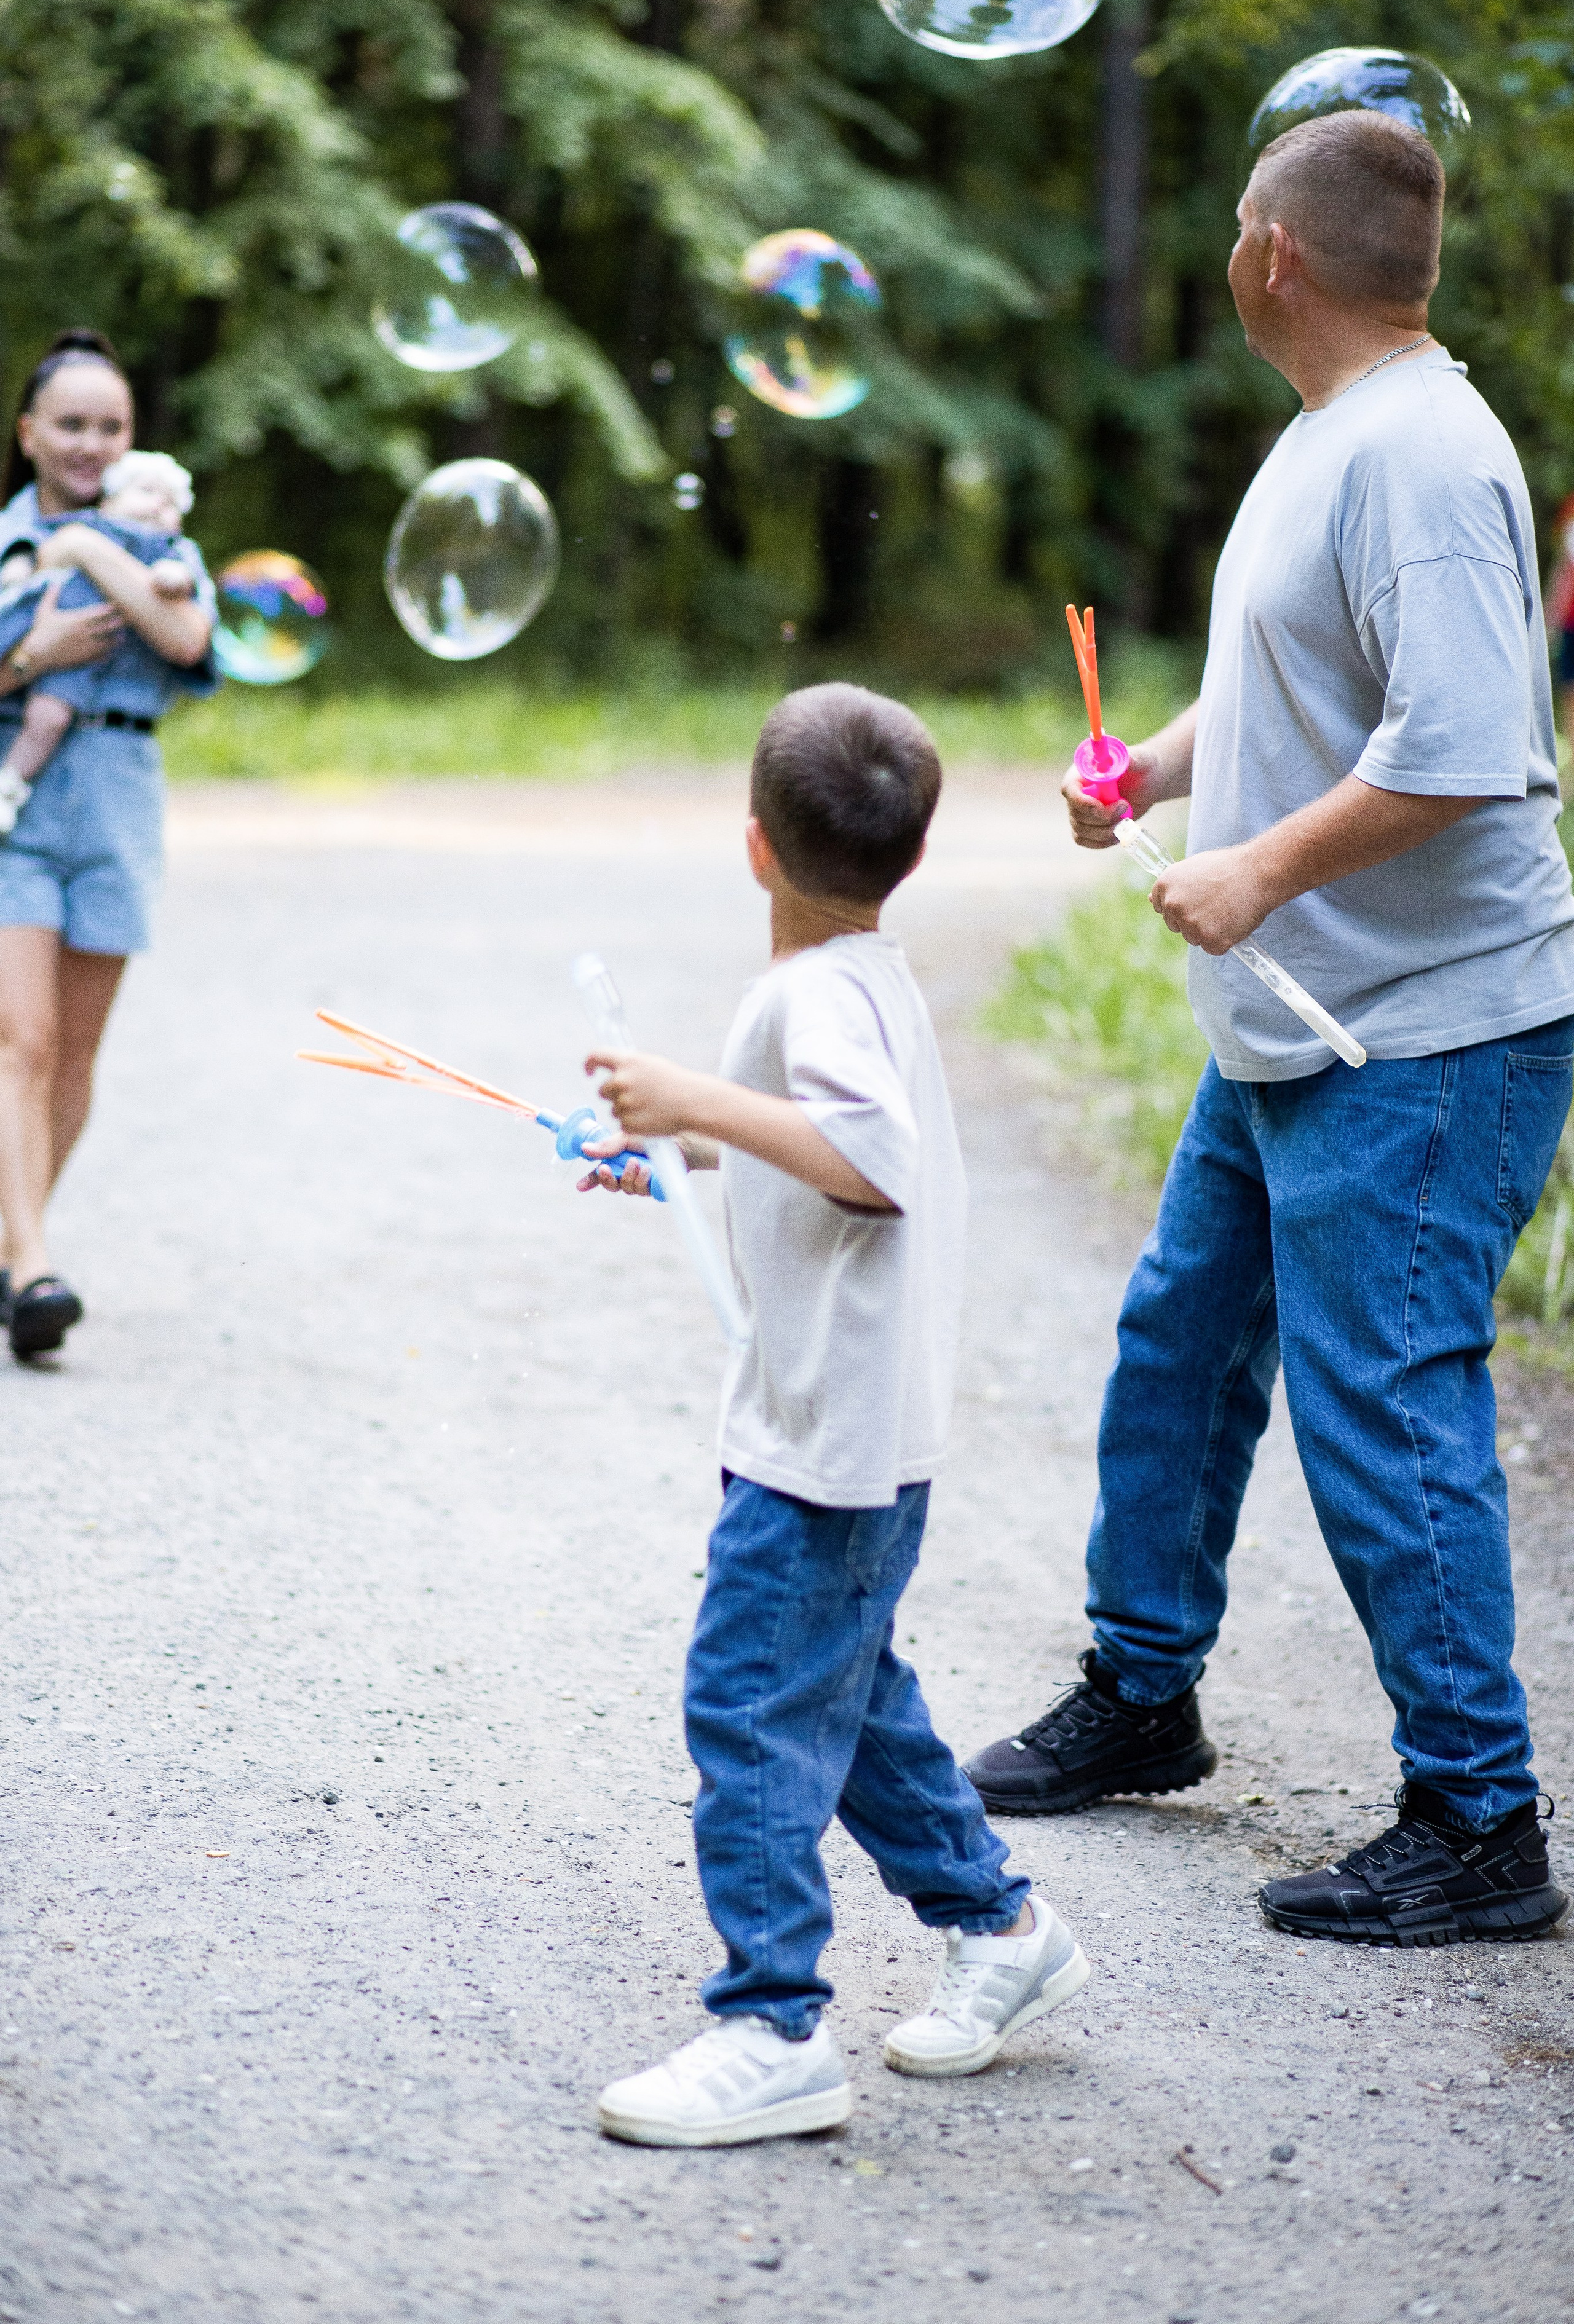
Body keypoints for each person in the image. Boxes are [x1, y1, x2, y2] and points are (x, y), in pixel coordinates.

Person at [965, 112, 1574, 1948]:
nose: (1233, 247)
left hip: (1427, 1040)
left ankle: (1477, 1820)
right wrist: (1151, 767)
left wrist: (1251, 874)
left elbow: (1467, 753)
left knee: (1381, 1405)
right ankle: (1143, 1690)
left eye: (1238, 224)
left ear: (1271, 259)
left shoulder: (1422, 454)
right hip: (1298, 1024)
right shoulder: (1330, 439)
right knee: (1182, 1336)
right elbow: (1300, 685)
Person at [579, 683, 1089, 2146]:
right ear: (908, 859)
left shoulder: (806, 994)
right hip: (857, 1424)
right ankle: (999, 1929)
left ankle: (770, 2026)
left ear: (753, 847)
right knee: (844, 1693)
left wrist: (688, 1090)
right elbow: (828, 1154)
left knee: (748, 1700)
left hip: (824, 1436)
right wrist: (680, 1148)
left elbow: (869, 1161)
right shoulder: (865, 974)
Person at [0, 330, 217, 1363]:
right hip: (17, 810)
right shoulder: (3, 535)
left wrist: (87, 549)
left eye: (112, 426)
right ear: (30, 432)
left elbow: (185, 643)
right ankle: (33, 1264)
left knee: (77, 1052)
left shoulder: (162, 539)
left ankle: (12, 1253)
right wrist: (32, 656)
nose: (91, 443)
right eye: (72, 424)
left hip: (122, 801)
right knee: (21, 1042)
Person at [0, 448, 203, 833]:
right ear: (109, 500)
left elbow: (188, 633)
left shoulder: (175, 551)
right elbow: (30, 550)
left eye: (171, 501)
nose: (160, 504)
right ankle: (9, 785)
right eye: (147, 491)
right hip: (58, 680)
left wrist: (172, 580)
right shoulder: (73, 526)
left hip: (118, 768)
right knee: (46, 717)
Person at [1544, 492, 1574, 751]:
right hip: (1571, 624)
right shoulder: (1570, 509)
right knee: (1569, 695)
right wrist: (1550, 621)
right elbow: (1564, 571)